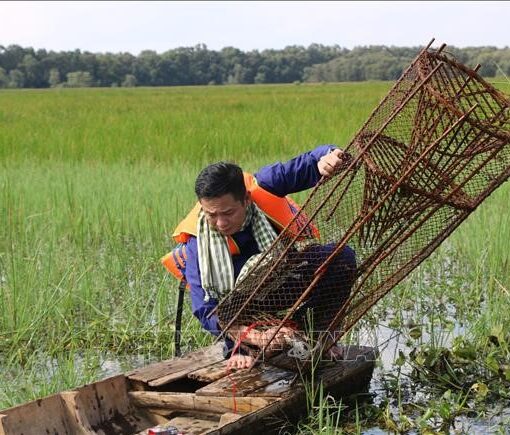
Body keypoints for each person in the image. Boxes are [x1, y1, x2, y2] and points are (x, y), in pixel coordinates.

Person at [167, 145, 355, 370]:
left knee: (341, 257)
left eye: (228, 213)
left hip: (280, 279)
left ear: (246, 200)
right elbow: (205, 310)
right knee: (226, 306)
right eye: (211, 215)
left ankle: (315, 334)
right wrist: (255, 337)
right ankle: (238, 349)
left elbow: (309, 162)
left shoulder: (264, 186)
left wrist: (329, 156)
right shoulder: (198, 243)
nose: (220, 223)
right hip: (240, 306)